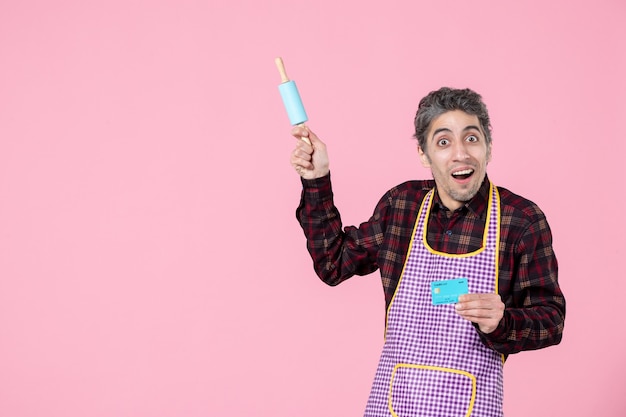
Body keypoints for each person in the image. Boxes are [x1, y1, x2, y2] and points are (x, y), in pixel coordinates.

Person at [289, 87, 565, 417]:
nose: (461, 153)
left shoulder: (520, 221)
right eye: (444, 142)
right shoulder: (401, 206)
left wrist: (503, 321)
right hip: (391, 408)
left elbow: (551, 320)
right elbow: (333, 263)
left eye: (472, 139)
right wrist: (317, 179)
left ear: (488, 149)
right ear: (424, 154)